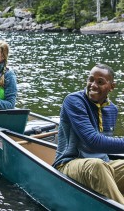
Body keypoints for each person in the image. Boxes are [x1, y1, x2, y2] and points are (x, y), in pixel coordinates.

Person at [53, 64, 124, 204]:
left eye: (100, 82)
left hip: (103, 164)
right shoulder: (74, 101)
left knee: (101, 165)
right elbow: (93, 141)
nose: (93, 85)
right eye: (90, 80)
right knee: (97, 166)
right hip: (68, 163)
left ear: (112, 86)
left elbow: (106, 145)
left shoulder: (112, 109)